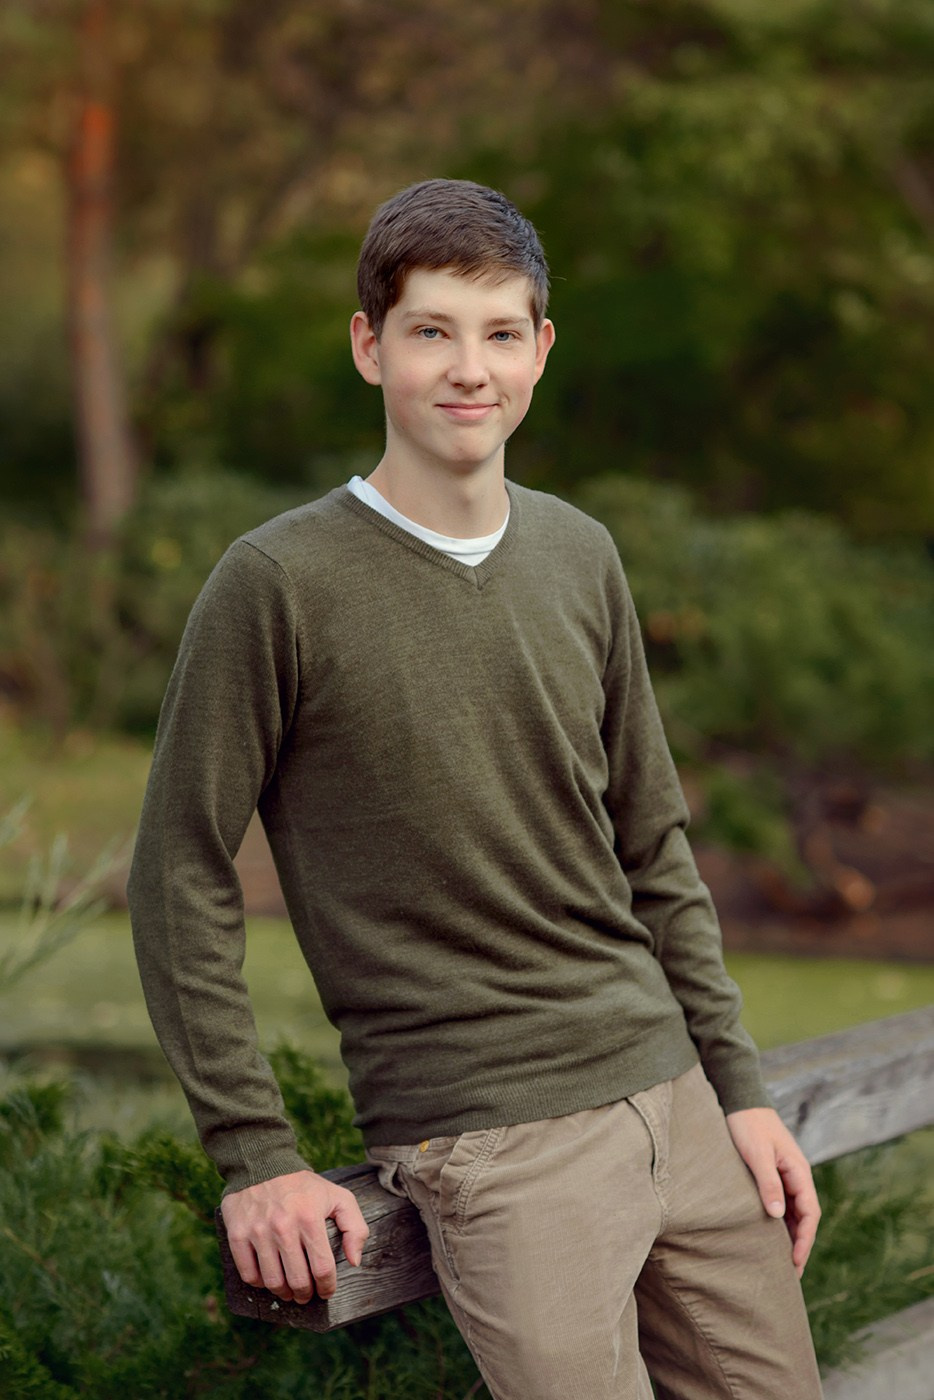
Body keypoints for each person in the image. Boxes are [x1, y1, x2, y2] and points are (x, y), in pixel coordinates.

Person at [129, 178, 823, 1400]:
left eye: (500, 332)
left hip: (674, 1097)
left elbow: (652, 843)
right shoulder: (276, 583)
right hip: (495, 1141)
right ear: (368, 345)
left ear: (541, 350)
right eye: (431, 331)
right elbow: (177, 869)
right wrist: (254, 1153)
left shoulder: (580, 553)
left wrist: (739, 1089)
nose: (469, 368)